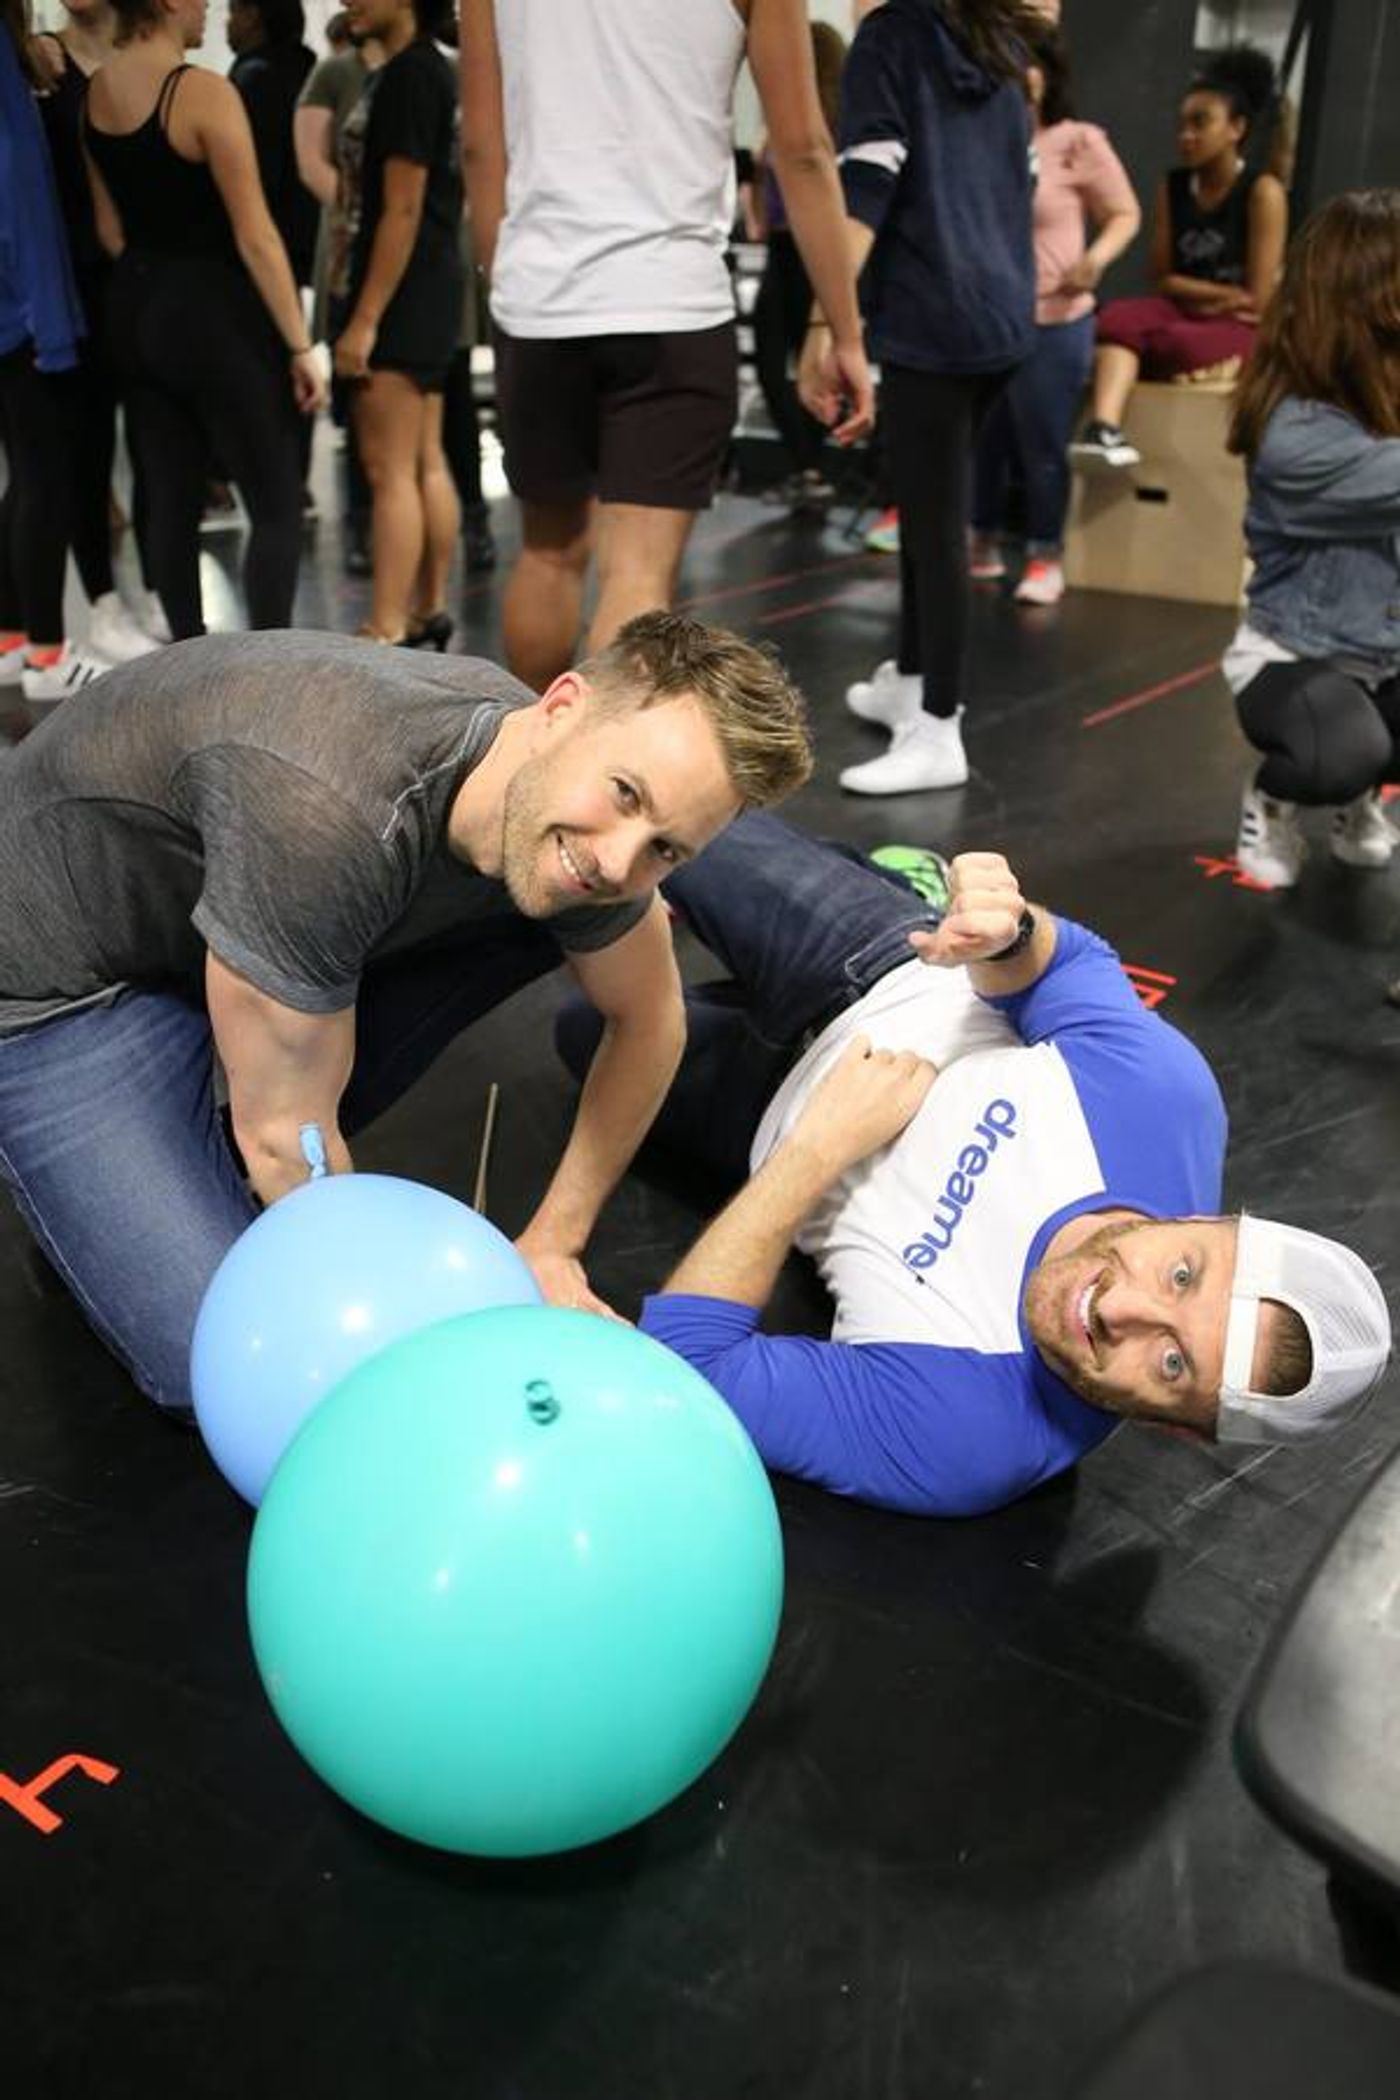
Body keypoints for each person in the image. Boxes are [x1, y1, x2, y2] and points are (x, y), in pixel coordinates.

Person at [0, 612, 810, 1415]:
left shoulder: (551, 794)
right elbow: (290, 1142)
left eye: (666, 849)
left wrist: (555, 1242)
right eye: (626, 794)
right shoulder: (325, 807)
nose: (618, 859)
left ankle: (199, 1118)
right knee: (218, 1363)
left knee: (547, 895)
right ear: (559, 707)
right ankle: (145, 1160)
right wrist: (404, 1354)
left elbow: (650, 1019)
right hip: (59, 990)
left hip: (218, 923)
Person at [556, 816, 1391, 1516]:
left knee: (578, 1031)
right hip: (879, 959)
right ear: (1205, 1222)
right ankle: (897, 881)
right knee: (649, 823)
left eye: (1172, 1365)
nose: (1123, 1306)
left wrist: (814, 1151)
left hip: (760, 1117)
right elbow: (1073, 965)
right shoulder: (1166, 1102)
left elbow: (690, 1368)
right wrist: (1011, 932)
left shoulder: (971, 1435)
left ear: (1178, 1430)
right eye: (1181, 1274)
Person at [460, 0, 873, 693]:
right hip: (671, 300)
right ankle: (597, 781)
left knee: (547, 555)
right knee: (638, 574)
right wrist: (846, 331)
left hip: (537, 303)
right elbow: (802, 147)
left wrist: (509, 278)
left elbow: (480, 143)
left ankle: (526, 772)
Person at [819, 0, 1036, 798]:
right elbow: (1019, 183)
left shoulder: (891, 36)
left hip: (932, 313)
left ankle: (939, 726)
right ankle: (912, 680)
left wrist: (827, 318)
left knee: (937, 523)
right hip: (1002, 312)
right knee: (926, 508)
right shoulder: (995, 40)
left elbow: (869, 183)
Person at [82, 0, 326, 640]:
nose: (210, 8)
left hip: (134, 310)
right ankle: (268, 666)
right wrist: (301, 346)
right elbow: (256, 237)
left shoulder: (97, 92)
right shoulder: (203, 92)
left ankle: (189, 664)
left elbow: (110, 232)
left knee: (170, 497)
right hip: (212, 312)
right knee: (274, 501)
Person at [1221, 189, 1400, 893]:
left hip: (1384, 656)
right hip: (1290, 661)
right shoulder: (1295, 434)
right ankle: (1272, 799)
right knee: (1343, 751)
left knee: (1371, 742)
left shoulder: (1387, 394)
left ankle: (1361, 802)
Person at [969, 18, 1139, 606]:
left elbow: (1124, 213)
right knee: (984, 442)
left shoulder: (1077, 141)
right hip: (994, 317)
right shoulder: (985, 140)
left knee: (1041, 444)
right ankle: (980, 539)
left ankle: (1045, 552)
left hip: (1057, 318)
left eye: (1026, 62)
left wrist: (1095, 260)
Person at [1071, 45, 1288, 470]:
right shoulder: (1173, 187)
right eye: (1183, 125)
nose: (1186, 135)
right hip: (1181, 311)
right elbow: (1162, 277)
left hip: (1230, 328)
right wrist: (1219, 294)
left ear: (1236, 128)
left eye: (1200, 123)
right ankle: (1104, 428)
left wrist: (1197, 294)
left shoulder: (1263, 192)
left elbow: (1257, 300)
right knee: (1115, 319)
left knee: (1173, 342)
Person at [30, 0, 165, 666]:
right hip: (72, 277)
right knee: (82, 452)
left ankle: (159, 586)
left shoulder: (145, 58)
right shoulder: (42, 62)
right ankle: (104, 603)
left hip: (138, 280)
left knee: (152, 443)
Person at [333, 0, 462, 647]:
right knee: (422, 460)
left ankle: (385, 626)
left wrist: (364, 319)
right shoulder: (422, 70)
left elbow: (402, 209)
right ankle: (426, 608)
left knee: (390, 471)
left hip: (402, 297)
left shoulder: (413, 75)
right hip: (428, 289)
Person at [0, 0, 109, 707]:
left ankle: (13, 637)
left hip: (13, 301)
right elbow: (17, 193)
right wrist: (50, 314)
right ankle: (46, 649)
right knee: (43, 472)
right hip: (19, 304)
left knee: (21, 475)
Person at [294, 6, 381, 575]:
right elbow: (313, 164)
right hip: (354, 249)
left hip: (423, 257)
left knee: (438, 418)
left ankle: (471, 522)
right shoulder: (332, 76)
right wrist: (362, 218)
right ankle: (359, 526)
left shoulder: (431, 69)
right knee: (360, 405)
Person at [750, 18, 848, 520]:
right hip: (780, 251)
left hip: (815, 255)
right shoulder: (777, 120)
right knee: (770, 363)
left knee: (812, 363)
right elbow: (763, 190)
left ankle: (815, 470)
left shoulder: (831, 122)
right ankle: (808, 466)